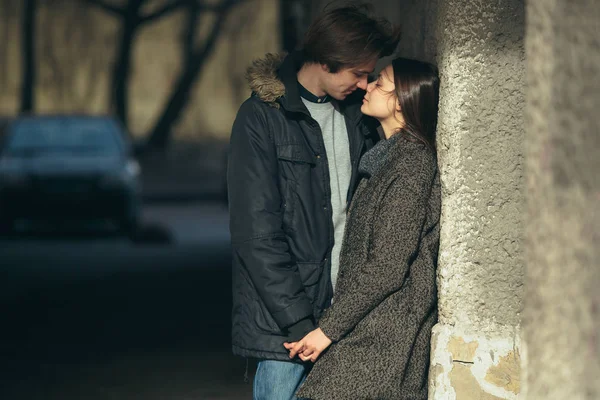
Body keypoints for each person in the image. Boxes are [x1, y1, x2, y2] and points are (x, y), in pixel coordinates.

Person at [227, 3, 401, 399]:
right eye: (358, 73)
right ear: (326, 61)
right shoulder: (262, 119)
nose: (364, 84)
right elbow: (256, 235)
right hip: (287, 330)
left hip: (345, 317)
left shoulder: (359, 118)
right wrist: (300, 324)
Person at [284, 57, 441, 400]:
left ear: (402, 101)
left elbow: (388, 265)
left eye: (379, 83)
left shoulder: (411, 166)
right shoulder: (387, 159)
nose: (367, 86)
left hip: (383, 338)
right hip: (367, 329)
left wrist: (327, 330)